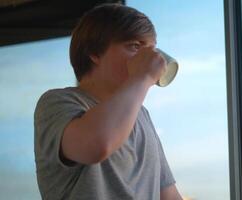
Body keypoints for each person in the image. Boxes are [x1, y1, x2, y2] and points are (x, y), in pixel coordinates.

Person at [34, 3, 182, 200]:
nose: (149, 58)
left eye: (151, 49)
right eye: (135, 46)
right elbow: (96, 145)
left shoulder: (141, 114)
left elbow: (168, 194)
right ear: (94, 52)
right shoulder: (56, 102)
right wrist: (142, 77)